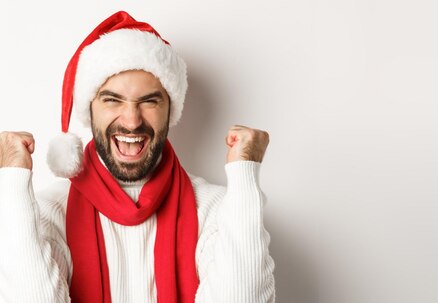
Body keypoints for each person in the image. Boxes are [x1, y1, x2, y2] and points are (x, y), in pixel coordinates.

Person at [0, 11, 275, 303]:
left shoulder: (216, 209)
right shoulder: (47, 211)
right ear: (89, 109)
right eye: (112, 100)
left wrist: (245, 176)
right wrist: (12, 184)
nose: (131, 121)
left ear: (170, 110)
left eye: (149, 101)